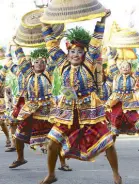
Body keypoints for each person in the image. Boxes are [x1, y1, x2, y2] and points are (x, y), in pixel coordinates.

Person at [40, 10, 122, 184]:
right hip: (67, 111)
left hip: (89, 111)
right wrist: (45, 25)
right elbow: (52, 46)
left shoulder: (89, 63)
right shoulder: (62, 64)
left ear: (84, 55)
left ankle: (116, 174)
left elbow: (95, 43)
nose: (75, 55)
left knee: (107, 142)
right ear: (67, 53)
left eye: (79, 52)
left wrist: (101, 20)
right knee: (52, 142)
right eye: (72, 52)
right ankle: (51, 174)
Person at [9, 45, 71, 171]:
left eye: (42, 62)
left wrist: (54, 43)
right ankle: (20, 158)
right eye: (36, 62)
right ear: (32, 64)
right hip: (31, 109)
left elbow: (54, 57)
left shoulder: (48, 72)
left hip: (47, 110)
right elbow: (21, 59)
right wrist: (16, 45)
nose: (39, 64)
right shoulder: (27, 73)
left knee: (56, 137)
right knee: (18, 135)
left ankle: (63, 163)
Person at [105, 60, 139, 141]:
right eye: (123, 67)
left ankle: (131, 128)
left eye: (127, 67)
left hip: (129, 98)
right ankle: (114, 129)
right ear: (120, 69)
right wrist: (111, 57)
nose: (125, 68)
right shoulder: (116, 76)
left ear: (130, 68)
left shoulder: (133, 77)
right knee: (115, 114)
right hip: (117, 98)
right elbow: (113, 67)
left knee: (131, 115)